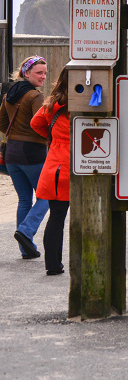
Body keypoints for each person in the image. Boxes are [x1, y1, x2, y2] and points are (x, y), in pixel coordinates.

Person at [0, 56, 49, 259]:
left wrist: (16, 134)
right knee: (47, 196)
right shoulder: (35, 96)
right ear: (26, 73)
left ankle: (25, 249)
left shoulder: (10, 94)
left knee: (24, 200)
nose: (43, 77)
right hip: (32, 152)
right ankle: (26, 231)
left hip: (11, 152)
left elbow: (1, 122)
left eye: (45, 73)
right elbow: (42, 124)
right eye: (39, 73)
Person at [32, 68, 70, 276]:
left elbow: (35, 123)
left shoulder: (52, 104)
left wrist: (52, 137)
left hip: (55, 166)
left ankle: (53, 264)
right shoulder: (89, 102)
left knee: (56, 218)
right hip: (79, 165)